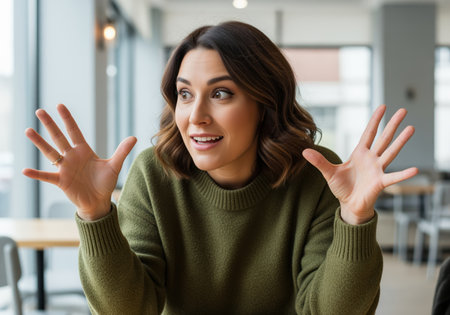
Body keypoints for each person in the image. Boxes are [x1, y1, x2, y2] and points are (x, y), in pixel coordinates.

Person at [23, 21, 418, 314]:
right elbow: (130, 310)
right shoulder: (154, 174)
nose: (196, 116)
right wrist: (95, 215)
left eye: (221, 94)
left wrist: (354, 216)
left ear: (265, 103)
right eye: (184, 94)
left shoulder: (318, 176)